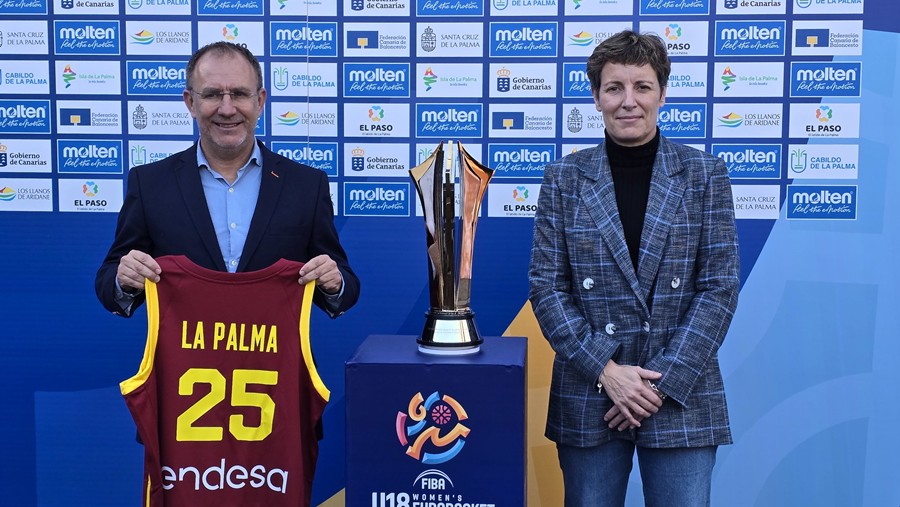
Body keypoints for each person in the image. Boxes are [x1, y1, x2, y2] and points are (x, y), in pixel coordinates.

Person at [528, 30, 739, 506]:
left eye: (642, 86)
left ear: (662, 94)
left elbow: (719, 288)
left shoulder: (705, 174)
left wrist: (656, 383)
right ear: (596, 97)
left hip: (681, 392)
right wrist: (608, 371)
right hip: (591, 393)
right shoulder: (564, 178)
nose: (628, 101)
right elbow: (547, 287)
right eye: (614, 88)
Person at [96, 41, 359, 318]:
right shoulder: (150, 183)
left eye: (239, 94)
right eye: (212, 95)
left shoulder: (306, 185)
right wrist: (123, 279)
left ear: (259, 101)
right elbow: (109, 281)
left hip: (274, 347)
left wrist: (334, 283)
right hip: (185, 348)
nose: (227, 109)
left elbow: (345, 286)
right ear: (191, 102)